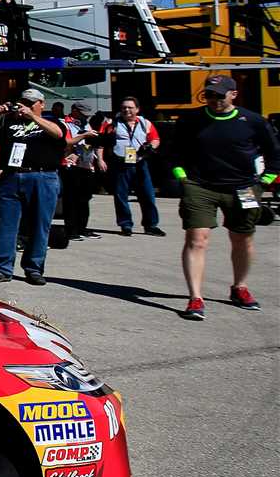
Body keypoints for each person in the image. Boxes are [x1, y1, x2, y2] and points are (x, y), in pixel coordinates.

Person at [168, 75, 279, 320]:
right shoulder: (192, 120)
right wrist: (183, 179)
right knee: (197, 239)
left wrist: (265, 182)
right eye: (209, 95)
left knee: (242, 239)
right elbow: (174, 153)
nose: (214, 100)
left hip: (244, 187)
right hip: (200, 186)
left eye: (220, 95)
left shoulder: (253, 121)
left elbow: (274, 154)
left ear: (233, 95)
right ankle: (195, 298)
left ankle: (240, 287)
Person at [0, 90, 67, 285]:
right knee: (5, 224)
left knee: (39, 225)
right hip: (12, 175)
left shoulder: (52, 122)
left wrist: (32, 116)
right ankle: (2, 268)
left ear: (41, 104)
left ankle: (34, 268)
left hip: (43, 176)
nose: (24, 105)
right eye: (22, 101)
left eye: (30, 103)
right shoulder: (6, 122)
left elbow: (59, 135)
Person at [107, 96, 163, 236]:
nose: (127, 110)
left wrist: (150, 146)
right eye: (124, 107)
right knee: (121, 196)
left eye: (130, 107)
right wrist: (102, 159)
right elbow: (102, 141)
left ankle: (151, 225)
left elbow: (155, 139)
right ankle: (125, 225)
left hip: (140, 162)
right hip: (120, 163)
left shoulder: (146, 123)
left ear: (137, 109)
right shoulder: (112, 124)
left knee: (148, 195)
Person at [58, 102, 106, 240]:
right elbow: (66, 142)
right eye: (82, 113)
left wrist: (99, 159)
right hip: (69, 165)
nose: (86, 117)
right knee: (71, 199)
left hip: (86, 165)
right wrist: (84, 136)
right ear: (74, 110)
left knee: (84, 199)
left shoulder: (86, 124)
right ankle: (71, 230)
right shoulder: (64, 123)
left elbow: (94, 143)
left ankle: (82, 228)